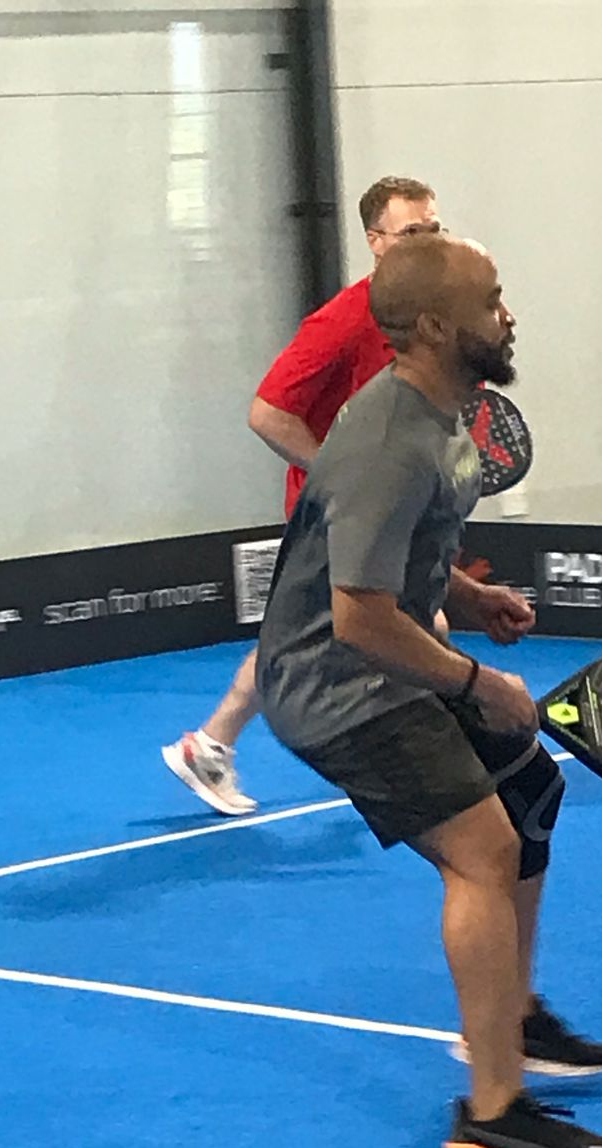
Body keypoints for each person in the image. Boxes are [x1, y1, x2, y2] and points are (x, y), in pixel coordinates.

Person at [255, 233, 602, 1148]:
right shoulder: (387, 440)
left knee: (531, 794)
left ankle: (512, 1017)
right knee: (484, 849)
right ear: (432, 327)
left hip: (386, 655)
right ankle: (492, 1118)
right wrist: (476, 682)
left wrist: (468, 595)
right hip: (336, 686)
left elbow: (395, 559)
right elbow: (357, 616)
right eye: (491, 301)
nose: (508, 315)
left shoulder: (442, 413)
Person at [162, 175, 445, 816]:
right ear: (375, 242)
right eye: (411, 232)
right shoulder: (343, 319)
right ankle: (213, 744)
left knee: (398, 629)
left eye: (434, 229)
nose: (427, 242)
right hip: (336, 515)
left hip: (390, 510)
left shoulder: (428, 319)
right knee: (394, 630)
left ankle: (211, 745)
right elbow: (267, 414)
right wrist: (338, 477)